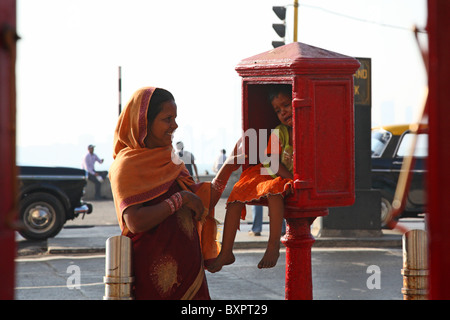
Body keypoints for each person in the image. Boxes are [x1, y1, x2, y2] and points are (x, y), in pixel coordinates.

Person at [109, 87, 242, 300]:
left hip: (191, 275)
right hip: (153, 281)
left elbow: (202, 203)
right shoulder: (126, 165)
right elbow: (135, 221)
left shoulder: (171, 160)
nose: (175, 125)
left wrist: (229, 166)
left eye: (175, 118)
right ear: (144, 123)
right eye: (167, 119)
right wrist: (181, 199)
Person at [208, 84, 294, 272]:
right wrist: (291, 178)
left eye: (287, 105)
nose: (283, 112)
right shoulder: (280, 132)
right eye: (278, 110)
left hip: (281, 181)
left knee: (273, 191)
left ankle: (273, 246)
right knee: (236, 194)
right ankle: (226, 251)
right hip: (270, 172)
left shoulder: (308, 130)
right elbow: (271, 161)